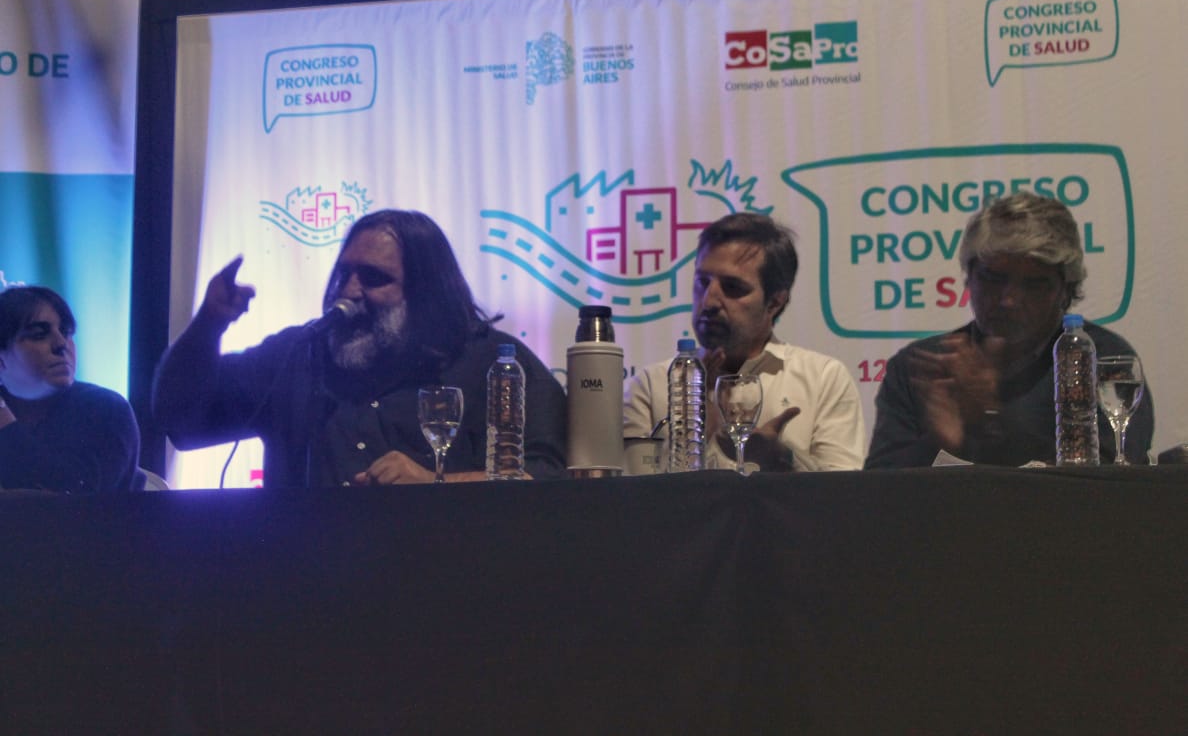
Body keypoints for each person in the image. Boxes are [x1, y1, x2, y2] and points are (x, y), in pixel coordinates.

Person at [152, 209, 567, 486]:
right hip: (307, 580)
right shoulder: (299, 355)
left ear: (425, 292)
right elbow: (181, 421)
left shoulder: (493, 363)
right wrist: (209, 324)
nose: (349, 292)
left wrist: (434, 482)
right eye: (344, 273)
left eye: (373, 278)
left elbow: (549, 475)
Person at [865, 191, 1155, 468]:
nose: (1009, 300)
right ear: (968, 277)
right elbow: (878, 491)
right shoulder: (923, 368)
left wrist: (989, 420)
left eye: (1033, 284)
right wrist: (940, 441)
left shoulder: (1100, 359)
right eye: (993, 279)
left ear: (1066, 290)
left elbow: (1111, 482)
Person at [623, 213, 866, 472]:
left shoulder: (823, 379)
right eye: (702, 282)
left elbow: (845, 491)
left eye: (732, 288)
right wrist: (696, 431)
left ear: (775, 302)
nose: (708, 301)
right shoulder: (652, 385)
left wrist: (783, 458)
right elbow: (630, 491)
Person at [0, 285, 140, 492]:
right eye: (39, 334)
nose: (61, 344)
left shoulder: (107, 409)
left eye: (66, 332)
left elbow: (73, 495)